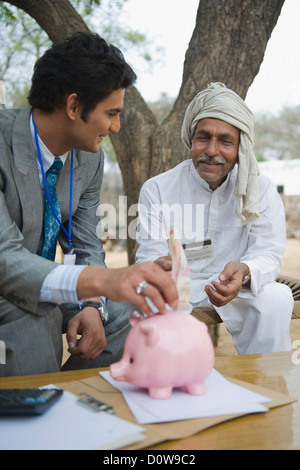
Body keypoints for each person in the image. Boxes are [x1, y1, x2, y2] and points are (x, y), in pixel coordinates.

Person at [0, 32, 178, 377]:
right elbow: (5, 258)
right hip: (6, 288)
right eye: (111, 113)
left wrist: (93, 304)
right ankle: (38, 403)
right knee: (36, 322)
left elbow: (85, 242)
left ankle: (63, 393)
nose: (116, 126)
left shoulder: (89, 160)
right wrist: (101, 281)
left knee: (133, 311)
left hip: (49, 284)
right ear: (73, 106)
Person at [136, 82, 293, 355]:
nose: (211, 150)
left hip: (239, 288)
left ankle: (267, 384)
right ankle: (174, 386)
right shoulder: (158, 189)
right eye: (203, 137)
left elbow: (268, 253)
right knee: (154, 305)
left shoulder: (261, 188)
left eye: (225, 141)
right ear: (191, 140)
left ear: (240, 147)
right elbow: (150, 259)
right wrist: (170, 264)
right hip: (178, 288)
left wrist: (245, 270)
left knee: (277, 297)